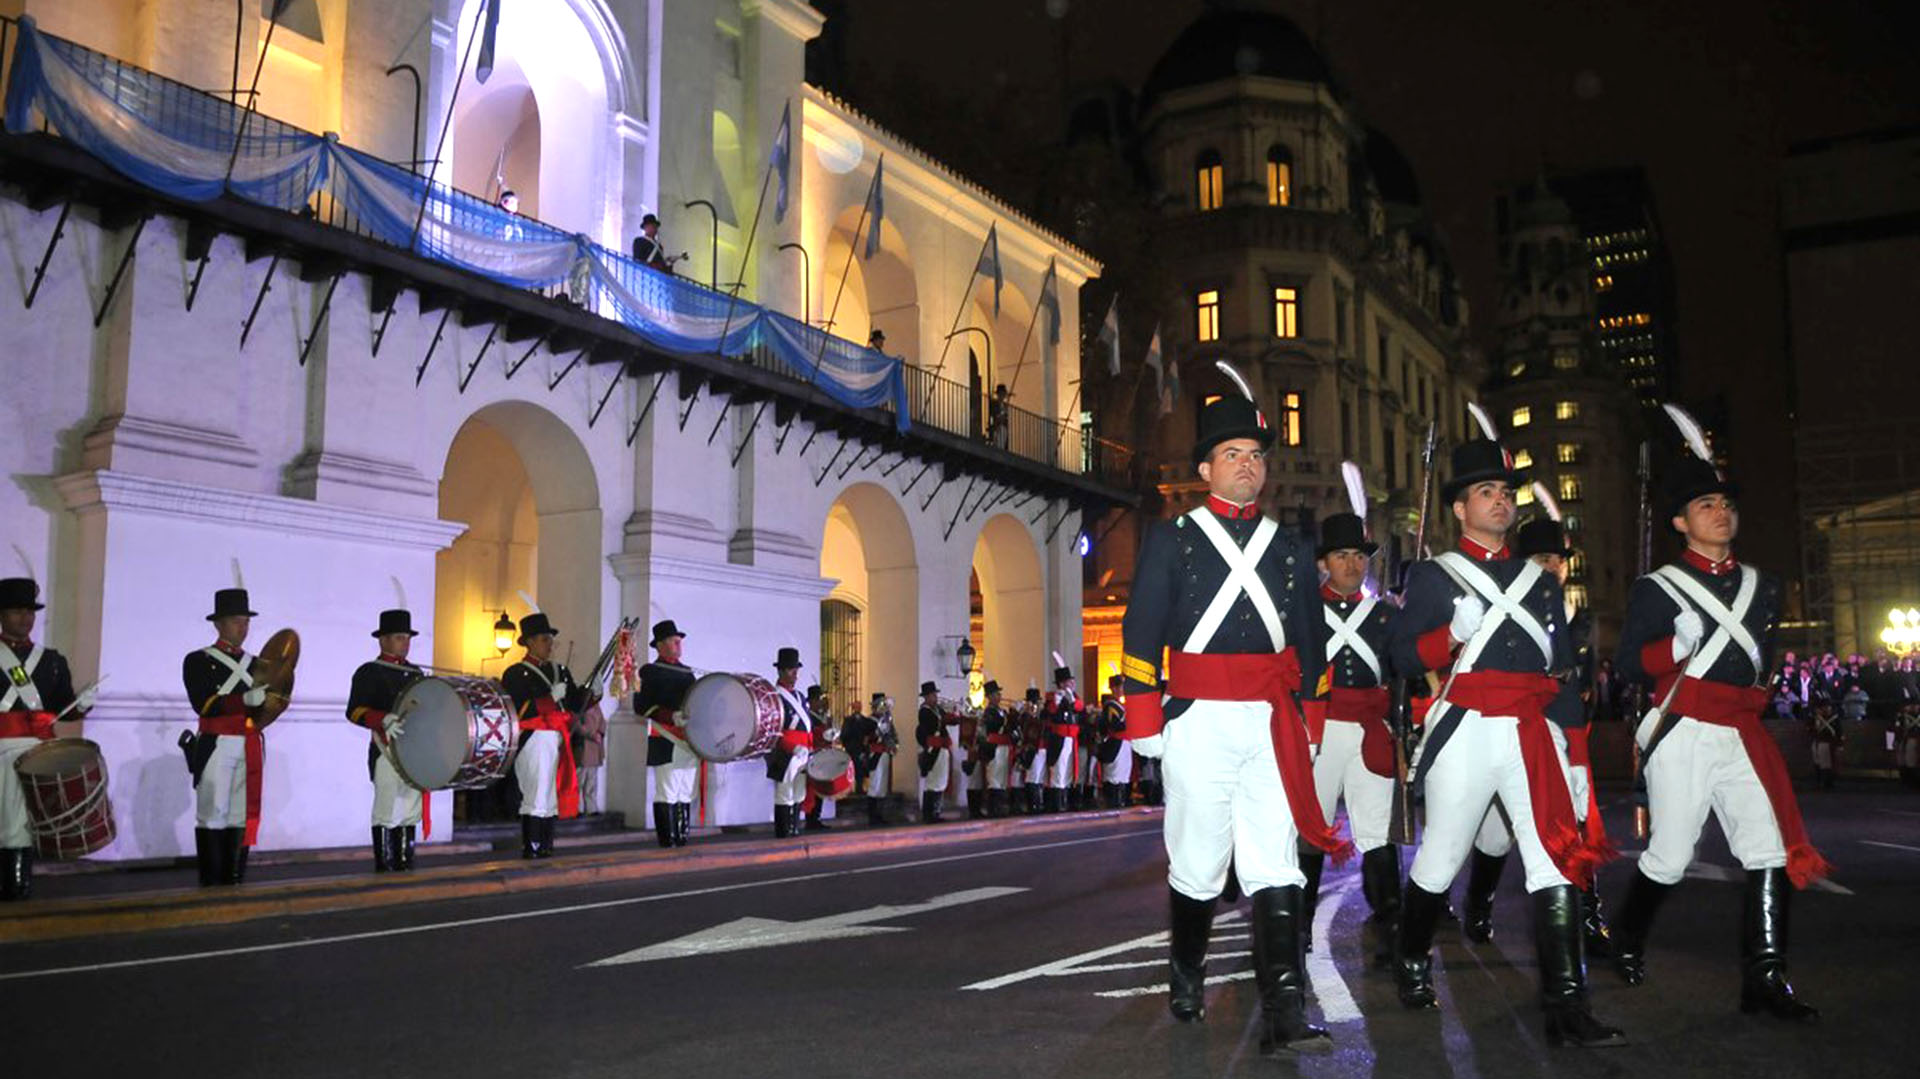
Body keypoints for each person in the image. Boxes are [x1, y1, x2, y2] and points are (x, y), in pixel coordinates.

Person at [1119, 389, 1341, 1056]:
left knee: (1276, 858)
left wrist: (1313, 717)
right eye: (1230, 454)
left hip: (1273, 718)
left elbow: (1310, 640)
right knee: (1199, 859)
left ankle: (1284, 1007)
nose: (1246, 464)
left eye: (1253, 455)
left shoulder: (1290, 546)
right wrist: (1144, 718)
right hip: (1198, 717)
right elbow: (1141, 629)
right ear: (1207, 469)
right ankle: (1186, 973)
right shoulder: (1172, 538)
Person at [1386, 439, 1623, 1047]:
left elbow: (1562, 674)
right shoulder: (1434, 575)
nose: (1500, 502)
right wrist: (1446, 638)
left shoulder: (1539, 583)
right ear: (1460, 509)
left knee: (1553, 862)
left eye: (1505, 493)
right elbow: (1401, 655)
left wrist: (1574, 755)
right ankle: (1411, 961)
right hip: (1466, 727)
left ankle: (1567, 1006)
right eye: (1486, 493)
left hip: (1532, 729)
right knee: (1441, 856)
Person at [1610, 445, 1825, 1023]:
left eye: (1725, 503)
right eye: (1706, 504)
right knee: (1672, 854)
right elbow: (1630, 665)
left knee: (1768, 850)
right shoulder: (1657, 588)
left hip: (1743, 730)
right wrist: (1674, 648)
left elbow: (1763, 662)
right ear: (1680, 521)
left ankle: (1766, 977)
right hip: (1684, 729)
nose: (1721, 512)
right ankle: (1625, 938)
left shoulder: (1763, 585)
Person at [1457, 517, 1615, 956]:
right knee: (1494, 835)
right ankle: (1478, 904)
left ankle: (1587, 918)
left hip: (1562, 734)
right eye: (1541, 559)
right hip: (1512, 730)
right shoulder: (1506, 613)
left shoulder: (1579, 620)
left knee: (1576, 826)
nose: (1551, 567)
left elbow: (1584, 682)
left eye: (1557, 560)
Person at [1299, 511, 1400, 968]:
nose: (1353, 564)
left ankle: (1390, 928)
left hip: (1369, 731)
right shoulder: (1303, 612)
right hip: (1317, 732)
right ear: (1324, 562)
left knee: (1377, 833)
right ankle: (1297, 928)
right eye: (1342, 555)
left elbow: (1402, 670)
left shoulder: (1384, 615)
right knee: (1310, 831)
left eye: (1359, 556)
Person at [1, 577, 92, 900]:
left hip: (38, 751)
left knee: (21, 822)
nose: (25, 618)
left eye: (30, 612)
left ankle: (16, 889)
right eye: (16, 611)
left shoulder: (51, 661)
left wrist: (80, 705)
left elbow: (62, 708)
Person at [181, 587, 273, 886]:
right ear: (218, 624)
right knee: (213, 812)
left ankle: (234, 879)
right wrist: (243, 700)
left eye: (246, 621)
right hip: (218, 743)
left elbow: (267, 708)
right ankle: (211, 881)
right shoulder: (197, 660)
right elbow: (204, 703)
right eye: (236, 621)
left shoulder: (257, 664)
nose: (242, 628)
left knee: (238, 813)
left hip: (247, 744)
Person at [501, 612, 592, 859]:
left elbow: (574, 702)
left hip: (557, 738)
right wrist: (549, 699)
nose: (550, 644)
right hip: (534, 738)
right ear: (529, 642)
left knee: (550, 792)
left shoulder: (559, 670)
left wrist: (591, 693)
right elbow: (517, 710)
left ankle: (546, 844)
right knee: (537, 792)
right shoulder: (516, 673)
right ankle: (532, 845)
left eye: (551, 639)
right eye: (544, 639)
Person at [346, 608, 424, 873]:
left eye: (407, 637)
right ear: (383, 640)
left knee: (411, 805)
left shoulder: (416, 674)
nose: (406, 642)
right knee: (387, 805)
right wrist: (383, 718)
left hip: (412, 749)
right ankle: (385, 862)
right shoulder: (369, 672)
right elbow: (354, 710)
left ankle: (405, 860)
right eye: (400, 637)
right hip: (385, 749)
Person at [635, 620, 697, 848]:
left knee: (685, 791)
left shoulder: (688, 673)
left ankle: (682, 837)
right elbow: (641, 706)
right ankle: (667, 839)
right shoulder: (650, 672)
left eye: (679, 641)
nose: (679, 645)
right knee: (667, 790)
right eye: (674, 641)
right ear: (660, 645)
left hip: (687, 740)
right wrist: (670, 716)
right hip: (665, 737)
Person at [766, 649, 813, 838]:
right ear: (781, 671)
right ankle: (783, 831)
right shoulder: (774, 696)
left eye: (796, 670)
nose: (795, 674)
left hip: (803, 751)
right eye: (791, 670)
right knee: (784, 793)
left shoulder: (801, 697)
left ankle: (794, 828)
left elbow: (807, 726)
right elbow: (773, 728)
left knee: (798, 792)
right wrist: (792, 747)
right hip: (786, 751)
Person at [842, 692, 895, 826]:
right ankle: (873, 816)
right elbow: (864, 738)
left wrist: (893, 745)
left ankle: (880, 815)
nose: (883, 708)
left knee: (882, 786)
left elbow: (892, 737)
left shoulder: (887, 720)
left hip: (885, 754)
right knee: (874, 785)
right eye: (881, 705)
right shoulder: (868, 721)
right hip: (874, 755)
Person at [1041, 665, 1082, 813]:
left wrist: (1071, 700)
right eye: (1067, 682)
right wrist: (1057, 702)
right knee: (1059, 770)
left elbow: (1080, 707)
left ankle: (1066, 801)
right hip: (1059, 739)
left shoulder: (1072, 696)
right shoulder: (1054, 698)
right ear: (1060, 684)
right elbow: (1050, 712)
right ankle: (1057, 804)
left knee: (1069, 772)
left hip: (1071, 739)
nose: (1071, 684)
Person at [976, 681, 1016, 817]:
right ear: (990, 696)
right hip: (994, 747)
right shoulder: (989, 712)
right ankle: (994, 809)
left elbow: (1009, 727)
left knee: (1002, 777)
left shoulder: (1002, 711)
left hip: (1004, 746)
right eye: (996, 694)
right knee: (995, 778)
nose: (999, 696)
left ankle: (1000, 807)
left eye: (999, 694)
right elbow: (993, 725)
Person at [914, 681, 951, 824]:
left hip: (942, 748)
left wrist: (952, 714)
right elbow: (932, 725)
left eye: (935, 694)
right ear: (927, 697)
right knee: (933, 782)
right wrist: (944, 717)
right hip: (933, 749)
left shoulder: (937, 710)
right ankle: (929, 813)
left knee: (941, 780)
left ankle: (936, 810)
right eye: (933, 695)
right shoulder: (924, 711)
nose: (936, 697)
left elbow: (948, 720)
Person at [1097, 674, 1132, 808]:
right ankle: (1113, 803)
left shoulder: (1121, 705)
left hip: (1125, 743)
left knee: (1123, 775)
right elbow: (1114, 725)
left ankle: (1121, 801)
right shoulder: (1111, 705)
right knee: (1114, 775)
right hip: (1116, 743)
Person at [1808, 695, 1842, 790]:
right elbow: (1811, 729)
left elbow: (1839, 731)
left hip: (1828, 742)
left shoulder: (1834, 718)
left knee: (1827, 764)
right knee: (1818, 762)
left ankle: (1828, 783)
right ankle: (1819, 781)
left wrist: (1839, 743)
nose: (1826, 708)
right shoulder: (1816, 718)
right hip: (1817, 742)